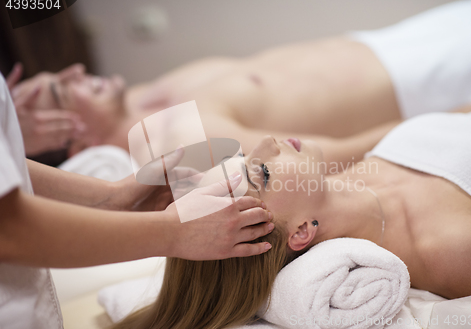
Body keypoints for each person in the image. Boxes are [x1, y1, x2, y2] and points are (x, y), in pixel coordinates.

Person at [112, 105, 471, 329]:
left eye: (245, 159)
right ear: (300, 232)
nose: (266, 144)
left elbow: (465, 115)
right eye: (261, 174)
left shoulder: (342, 168)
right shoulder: (445, 247)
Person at [9, 0, 471, 166]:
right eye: (59, 89)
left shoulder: (136, 101)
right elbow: (332, 156)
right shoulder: (176, 139)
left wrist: (9, 120)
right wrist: (460, 117)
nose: (76, 70)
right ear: (71, 140)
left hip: (399, 42)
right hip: (431, 83)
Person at [0, 74, 274, 328]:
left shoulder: (153, 96)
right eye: (263, 173)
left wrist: (112, 197)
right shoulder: (185, 134)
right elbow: (9, 230)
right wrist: (173, 232)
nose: (270, 140)